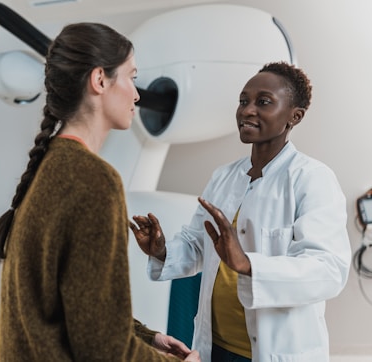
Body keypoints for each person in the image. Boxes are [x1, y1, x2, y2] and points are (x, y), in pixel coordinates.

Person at [0, 22, 201, 362]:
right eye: (131, 77)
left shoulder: (50, 166)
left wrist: (149, 337)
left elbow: (82, 310)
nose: (137, 94)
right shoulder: (95, 181)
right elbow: (104, 349)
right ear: (99, 80)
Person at [130, 61, 351, 362]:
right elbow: (197, 245)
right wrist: (162, 250)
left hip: (274, 352)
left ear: (294, 116)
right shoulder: (224, 177)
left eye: (263, 102)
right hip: (214, 347)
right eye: (243, 101)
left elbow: (328, 270)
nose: (247, 110)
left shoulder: (312, 179)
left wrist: (249, 265)